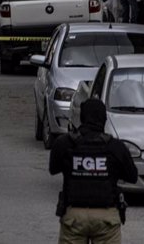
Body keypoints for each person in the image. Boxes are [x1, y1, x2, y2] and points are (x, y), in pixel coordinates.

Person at [50, 99, 137, 244]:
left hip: (74, 217)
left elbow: (53, 169)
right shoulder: (115, 147)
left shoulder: (65, 143)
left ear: (82, 118)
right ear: (103, 119)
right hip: (106, 217)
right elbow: (132, 176)